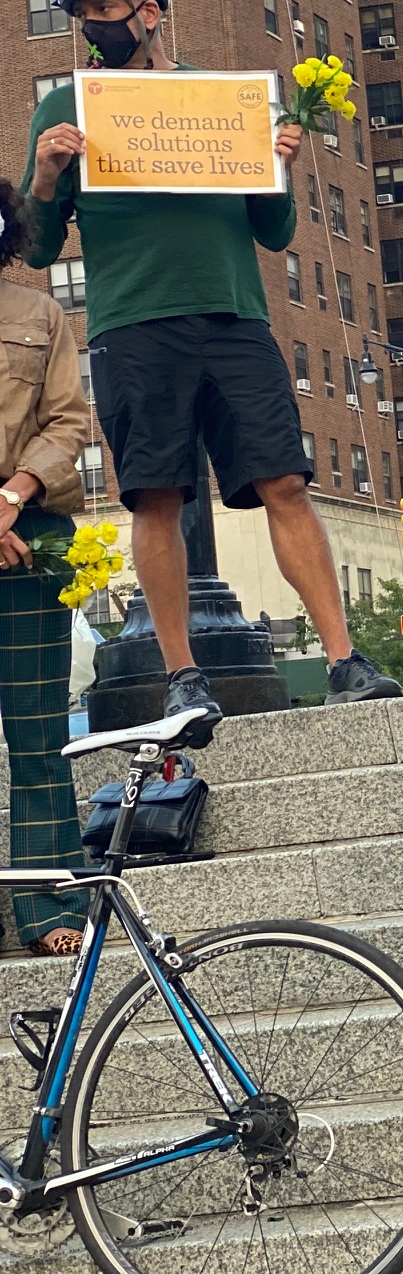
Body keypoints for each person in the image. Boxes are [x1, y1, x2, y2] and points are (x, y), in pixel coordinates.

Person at [22, 0, 398, 724]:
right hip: (133, 323)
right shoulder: (66, 104)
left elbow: (275, 228)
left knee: (286, 484)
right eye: (82, 14)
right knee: (154, 497)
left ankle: (343, 659)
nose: (94, 26)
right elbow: (33, 246)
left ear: (149, 11)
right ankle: (182, 675)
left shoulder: (225, 101)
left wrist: (279, 163)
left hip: (235, 317)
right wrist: (48, 175)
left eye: (106, 9)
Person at [0, 179, 91, 956]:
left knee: (36, 736)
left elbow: (68, 421)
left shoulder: (42, 316)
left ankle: (47, 907)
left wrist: (13, 492)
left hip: (25, 542)